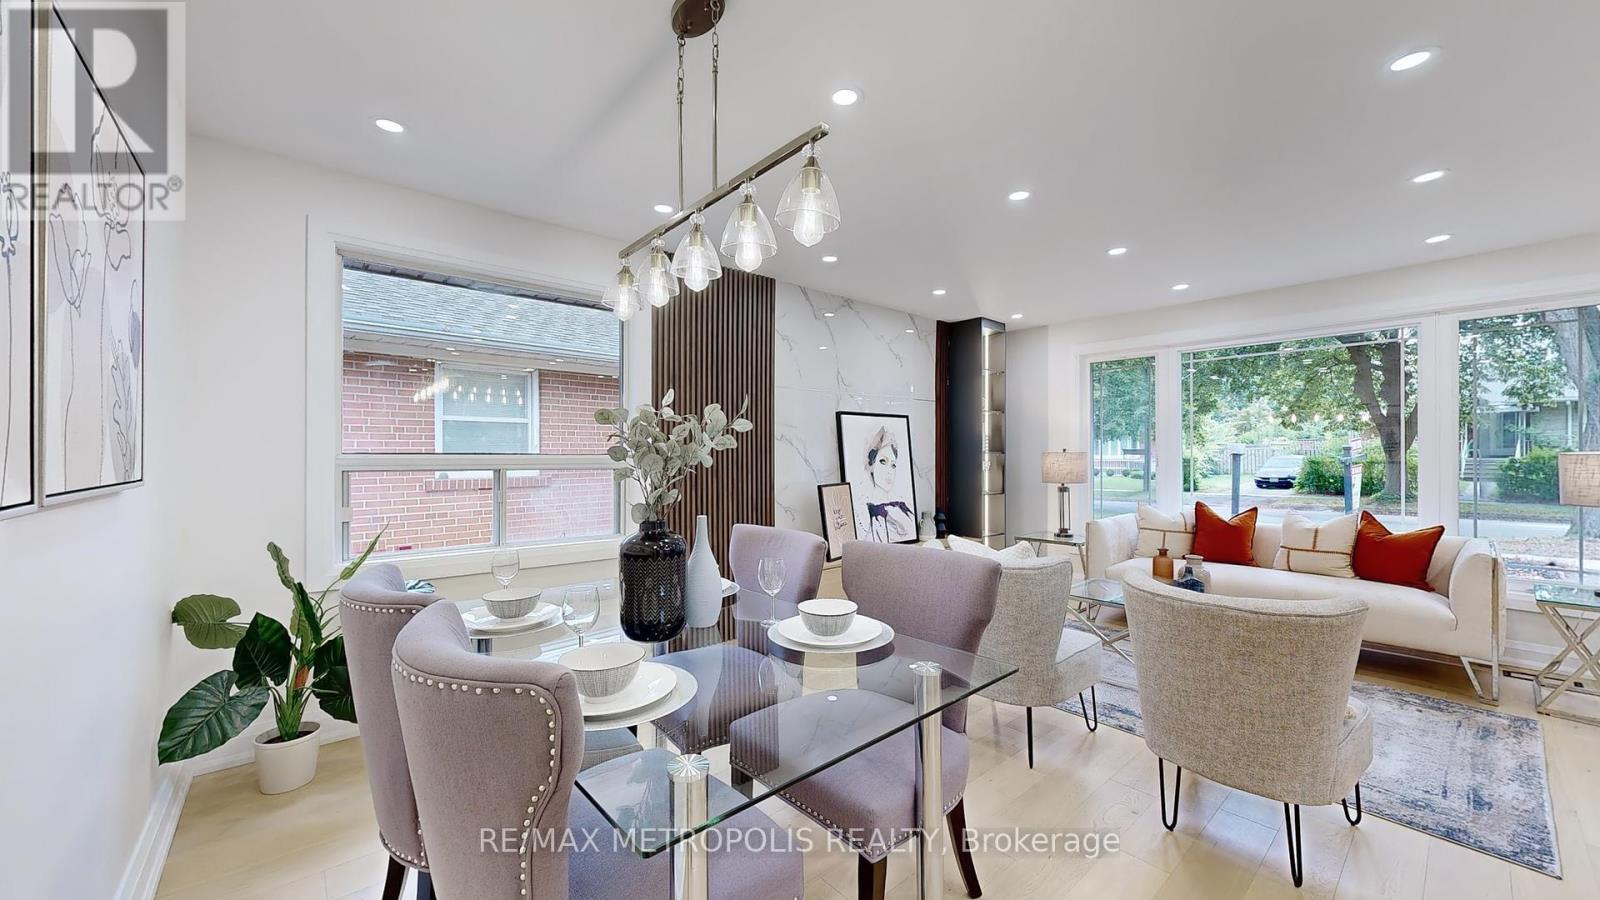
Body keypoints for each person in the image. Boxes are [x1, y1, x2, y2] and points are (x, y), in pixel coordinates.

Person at [860, 426, 916, 542]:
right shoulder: (868, 515)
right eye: (883, 461)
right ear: (871, 464)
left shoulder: (903, 508)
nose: (889, 471)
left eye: (893, 465)